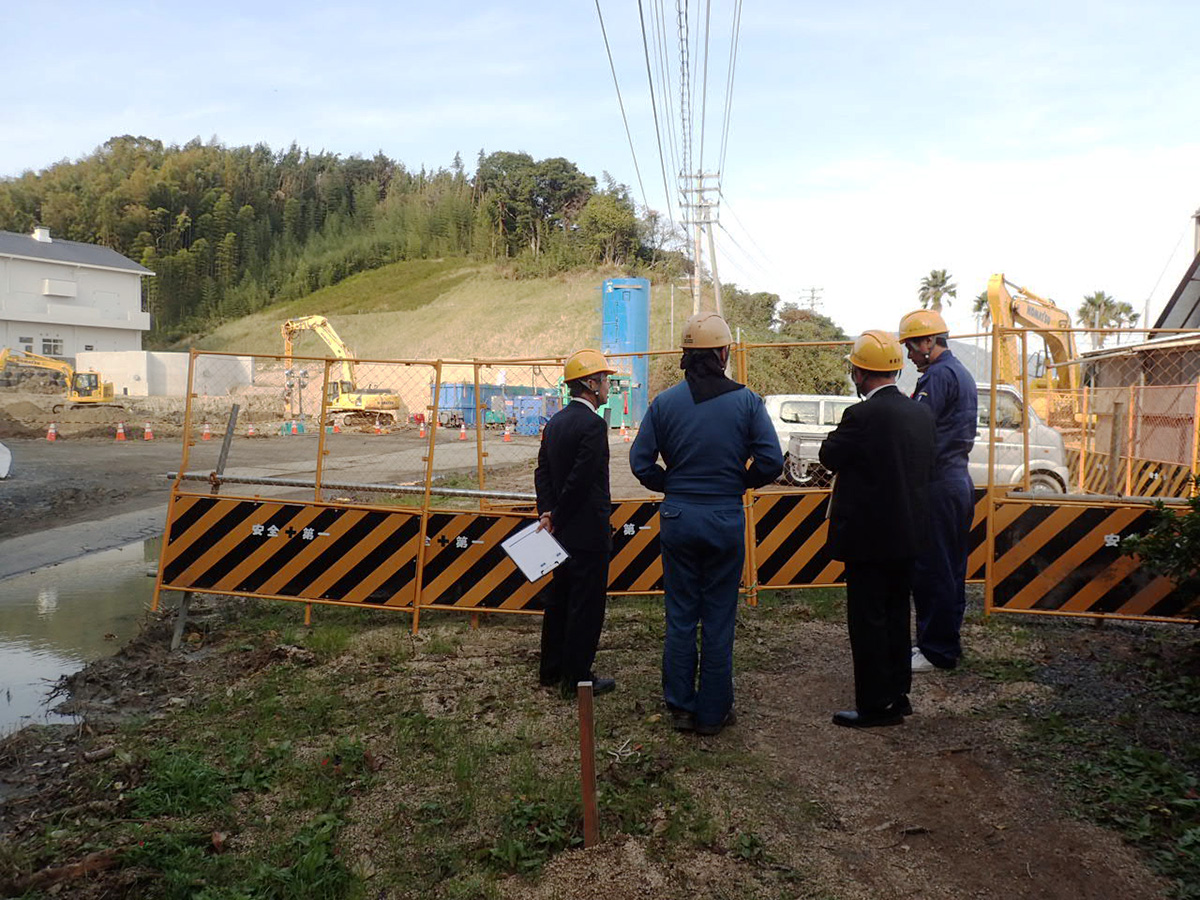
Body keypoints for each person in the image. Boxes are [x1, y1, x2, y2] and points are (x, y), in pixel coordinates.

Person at [629, 313, 783, 736]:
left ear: (686, 355)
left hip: (678, 517)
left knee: (680, 614)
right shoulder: (747, 402)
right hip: (724, 517)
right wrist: (740, 482)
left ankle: (680, 707)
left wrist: (671, 485)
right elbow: (771, 461)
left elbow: (640, 462)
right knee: (718, 617)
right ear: (723, 353)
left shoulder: (664, 403)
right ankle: (713, 713)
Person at [819, 331, 936, 728]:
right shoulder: (920, 413)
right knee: (897, 613)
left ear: (859, 372)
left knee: (867, 619)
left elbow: (829, 455)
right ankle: (898, 695)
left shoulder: (861, 416)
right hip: (909, 534)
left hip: (868, 540)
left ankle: (873, 705)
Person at [534, 348, 617, 699]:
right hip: (587, 532)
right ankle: (578, 679)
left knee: (559, 599)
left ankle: (551, 669)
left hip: (560, 532)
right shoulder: (593, 425)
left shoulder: (555, 423)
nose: (608, 387)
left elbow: (543, 472)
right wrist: (559, 514)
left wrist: (548, 513)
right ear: (591, 384)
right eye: (605, 380)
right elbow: (581, 481)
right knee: (586, 606)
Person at [898, 309, 977, 673]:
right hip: (956, 479)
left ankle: (935, 650)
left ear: (929, 341)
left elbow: (919, 428)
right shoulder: (959, 372)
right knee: (951, 568)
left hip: (938, 482)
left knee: (933, 568)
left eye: (911, 346)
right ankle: (945, 642)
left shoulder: (939, 375)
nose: (909, 355)